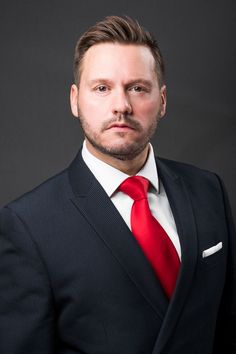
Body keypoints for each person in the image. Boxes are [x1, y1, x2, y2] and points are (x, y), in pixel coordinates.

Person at [0, 15, 235, 354]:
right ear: (74, 100)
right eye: (102, 88)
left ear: (163, 100)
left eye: (138, 88)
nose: (121, 106)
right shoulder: (27, 226)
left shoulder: (208, 190)